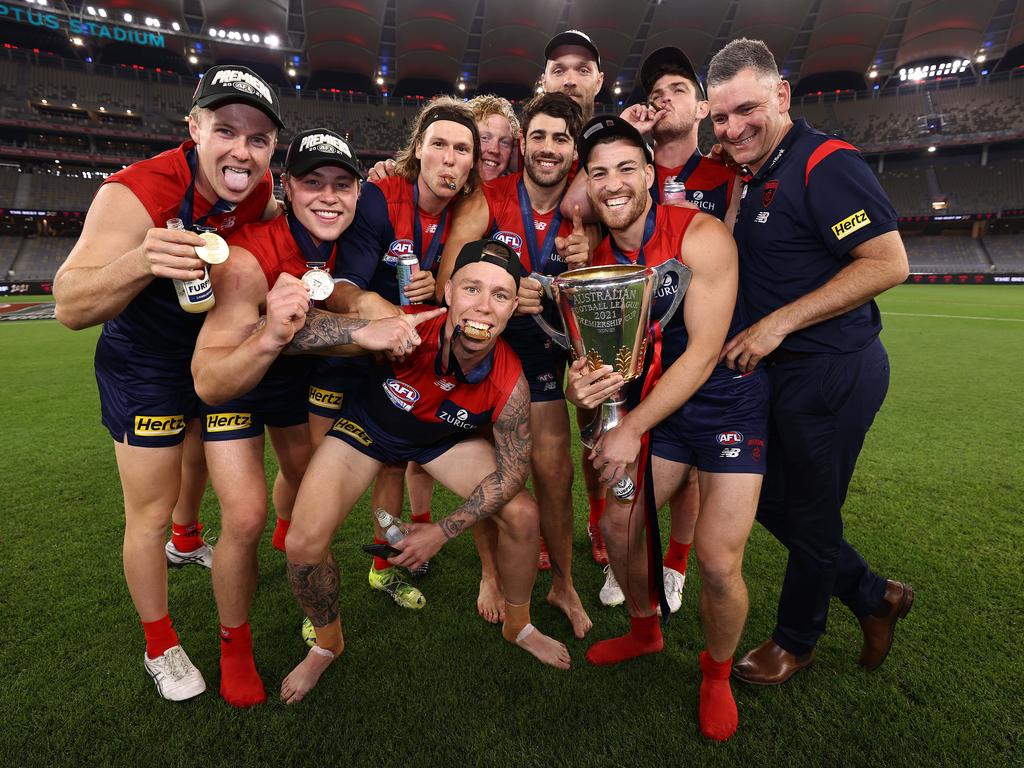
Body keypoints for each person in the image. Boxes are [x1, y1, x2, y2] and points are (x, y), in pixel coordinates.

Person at [52, 65, 283, 701]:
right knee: (147, 511)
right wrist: (140, 259)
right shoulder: (136, 190)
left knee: (220, 484)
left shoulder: (260, 195)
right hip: (146, 365)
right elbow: (69, 304)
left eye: (259, 139)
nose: (243, 150)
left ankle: (190, 543)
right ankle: (161, 643)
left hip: (215, 358)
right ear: (194, 129)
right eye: (227, 130)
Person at [190, 128, 427, 707]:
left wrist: (378, 320)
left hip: (296, 386)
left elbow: (350, 304)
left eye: (341, 184)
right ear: (287, 188)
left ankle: (323, 632)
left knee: (306, 497)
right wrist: (272, 334)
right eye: (312, 182)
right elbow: (208, 378)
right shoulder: (249, 259)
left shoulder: (353, 241)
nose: (329, 196)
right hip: (239, 386)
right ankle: (234, 643)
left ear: (357, 192)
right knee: (242, 518)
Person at [281, 239, 573, 704]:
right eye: (472, 289)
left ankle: (519, 626)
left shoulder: (511, 382)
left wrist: (442, 530)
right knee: (301, 544)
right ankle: (328, 642)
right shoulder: (407, 326)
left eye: (499, 295)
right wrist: (362, 333)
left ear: (514, 306)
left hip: (441, 441)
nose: (483, 305)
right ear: (450, 291)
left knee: (522, 514)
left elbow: (514, 472)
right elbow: (288, 333)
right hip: (368, 428)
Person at [706, 38, 913, 685]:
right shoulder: (756, 170)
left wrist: (777, 323)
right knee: (768, 499)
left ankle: (796, 640)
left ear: (782, 96)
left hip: (832, 370)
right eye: (720, 118)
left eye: (746, 110)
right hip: (781, 373)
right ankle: (873, 592)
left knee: (813, 514)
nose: (734, 127)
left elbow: (888, 263)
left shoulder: (826, 163)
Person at [564, 115, 766, 741]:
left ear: (652, 175)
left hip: (724, 404)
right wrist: (584, 388)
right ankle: (645, 631)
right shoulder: (593, 260)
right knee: (619, 525)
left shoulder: (702, 237)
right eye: (599, 172)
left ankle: (715, 673)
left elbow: (703, 355)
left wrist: (628, 431)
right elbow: (599, 361)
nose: (613, 182)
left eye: (627, 168)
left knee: (714, 561)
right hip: (658, 408)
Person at [436, 92, 593, 634]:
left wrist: (573, 272)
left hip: (546, 349)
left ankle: (564, 584)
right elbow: (448, 280)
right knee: (490, 463)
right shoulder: (489, 199)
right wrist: (500, 290)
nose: (549, 148)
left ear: (573, 150)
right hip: (488, 348)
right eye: (540, 136)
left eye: (561, 139)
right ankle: (489, 572)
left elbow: (603, 287)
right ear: (524, 143)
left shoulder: (585, 208)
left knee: (554, 470)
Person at [600, 46, 744, 613]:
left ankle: (674, 564)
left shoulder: (725, 171)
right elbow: (586, 198)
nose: (663, 101)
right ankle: (622, 555)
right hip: (636, 343)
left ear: (704, 106)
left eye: (678, 90)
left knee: (689, 476)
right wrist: (624, 133)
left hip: (704, 339)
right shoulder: (631, 168)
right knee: (613, 451)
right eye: (654, 95)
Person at [319, 97, 477, 610]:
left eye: (461, 149)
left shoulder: (467, 212)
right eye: (439, 145)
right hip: (345, 347)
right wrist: (383, 315)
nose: (449, 159)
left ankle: (383, 566)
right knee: (309, 469)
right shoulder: (380, 196)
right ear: (418, 151)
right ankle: (302, 567)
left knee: (391, 461)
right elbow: (342, 285)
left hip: (403, 356)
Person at [470, 94, 520, 181]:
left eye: (504, 142)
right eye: (485, 138)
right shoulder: (447, 190)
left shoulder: (519, 192)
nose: (495, 150)